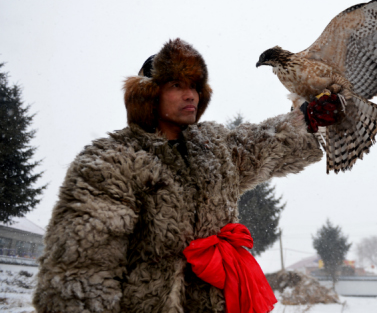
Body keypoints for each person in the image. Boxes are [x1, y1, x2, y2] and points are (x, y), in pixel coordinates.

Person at [32, 38, 339, 313]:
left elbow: (265, 143)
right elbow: (81, 270)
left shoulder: (213, 149)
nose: (190, 94)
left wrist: (307, 117)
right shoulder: (110, 161)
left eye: (194, 86)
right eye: (176, 85)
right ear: (148, 95)